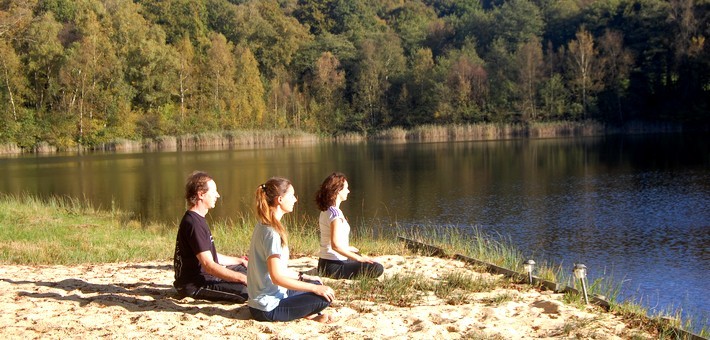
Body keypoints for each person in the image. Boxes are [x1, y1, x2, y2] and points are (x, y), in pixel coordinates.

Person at [247, 177, 335, 323]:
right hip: (267, 309)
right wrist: (314, 290)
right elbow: (276, 277)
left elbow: (279, 270)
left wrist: (304, 277)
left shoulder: (264, 225)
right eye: (292, 195)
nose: (295, 199)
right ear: (280, 199)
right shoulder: (271, 233)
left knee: (317, 285)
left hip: (265, 301)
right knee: (322, 296)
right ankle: (307, 315)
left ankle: (308, 314)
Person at [173, 171, 249, 303]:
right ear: (201, 194)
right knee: (246, 291)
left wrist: (239, 261)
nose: (218, 195)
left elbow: (211, 256)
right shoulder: (193, 223)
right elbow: (209, 265)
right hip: (195, 285)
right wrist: (243, 279)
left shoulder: (198, 219)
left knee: (248, 270)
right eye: (214, 192)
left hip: (207, 276)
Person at [315, 172, 384, 279]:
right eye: (346, 188)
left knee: (356, 252)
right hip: (333, 266)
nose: (348, 191)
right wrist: (359, 259)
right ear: (338, 190)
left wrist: (348, 248)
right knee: (377, 268)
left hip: (325, 262)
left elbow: (331, 241)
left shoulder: (327, 210)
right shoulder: (335, 215)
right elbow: (335, 246)